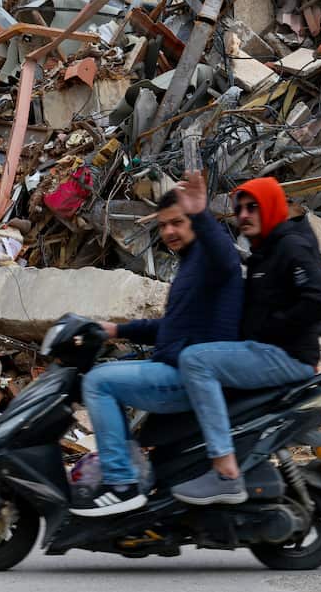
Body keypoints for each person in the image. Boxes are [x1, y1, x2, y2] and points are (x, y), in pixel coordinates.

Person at [72, 172, 243, 517]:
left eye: (177, 223)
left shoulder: (212, 260)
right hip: (176, 368)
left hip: (188, 378)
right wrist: (114, 330)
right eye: (163, 225)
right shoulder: (191, 266)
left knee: (99, 383)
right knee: (106, 376)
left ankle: (120, 484)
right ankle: (126, 470)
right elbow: (170, 328)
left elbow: (227, 258)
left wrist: (201, 213)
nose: (168, 232)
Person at [169, 175, 321, 506]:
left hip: (286, 356)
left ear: (272, 207)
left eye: (253, 207)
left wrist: (274, 326)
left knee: (196, 361)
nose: (243, 215)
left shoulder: (291, 247)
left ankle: (225, 471)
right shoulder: (263, 252)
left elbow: (320, 302)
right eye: (239, 209)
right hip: (268, 351)